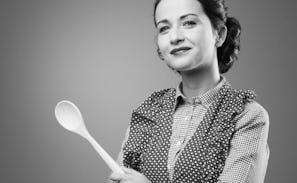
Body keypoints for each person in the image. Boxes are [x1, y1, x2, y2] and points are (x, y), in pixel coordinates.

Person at [109, 0, 269, 182]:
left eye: (189, 23)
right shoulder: (148, 113)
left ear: (219, 34)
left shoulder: (246, 117)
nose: (174, 37)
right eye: (164, 28)